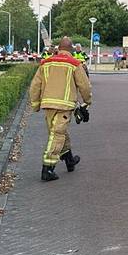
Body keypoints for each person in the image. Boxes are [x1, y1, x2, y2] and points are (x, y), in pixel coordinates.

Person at [28, 37, 92, 181]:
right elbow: (85, 86)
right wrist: (87, 102)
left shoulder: (45, 63)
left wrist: (35, 104)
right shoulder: (74, 64)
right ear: (70, 49)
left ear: (58, 48)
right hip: (64, 105)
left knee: (57, 132)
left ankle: (69, 160)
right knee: (57, 134)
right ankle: (47, 169)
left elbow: (35, 86)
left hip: (48, 105)